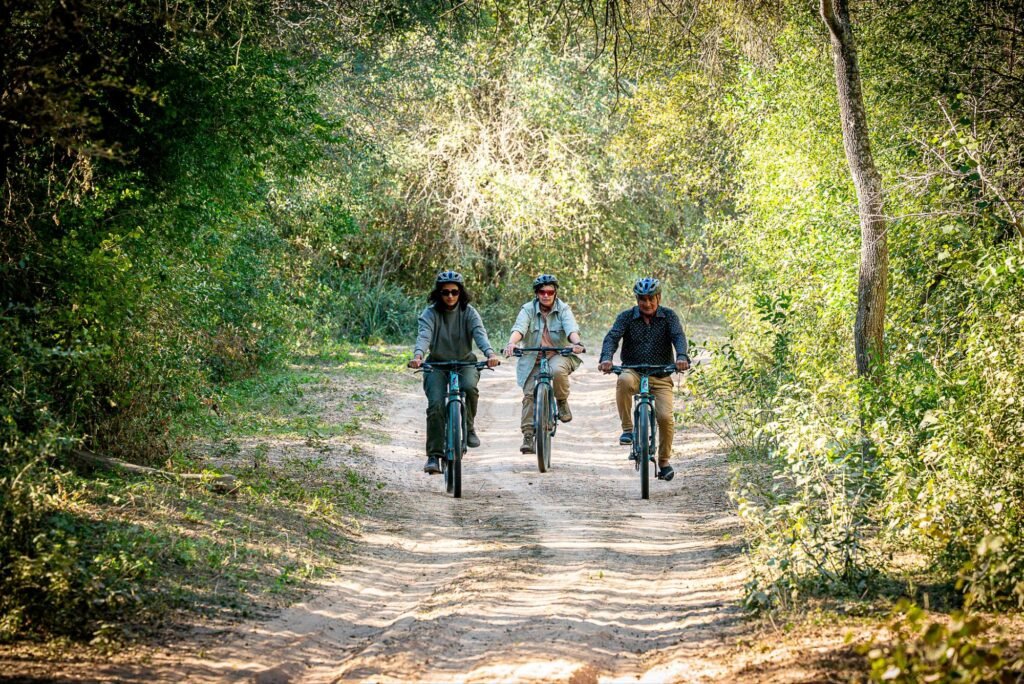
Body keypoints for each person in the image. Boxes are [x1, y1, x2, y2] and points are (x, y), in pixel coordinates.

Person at [598, 277, 690, 482]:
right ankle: (628, 430)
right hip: (634, 371)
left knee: (665, 418)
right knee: (623, 380)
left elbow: (678, 336)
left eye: (651, 299)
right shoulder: (626, 317)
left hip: (661, 374)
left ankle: (664, 462)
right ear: (637, 299)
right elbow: (612, 337)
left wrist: (682, 357)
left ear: (659, 298)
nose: (647, 303)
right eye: (642, 299)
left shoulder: (669, 316)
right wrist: (606, 358)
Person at [409, 271, 500, 474]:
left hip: (464, 363)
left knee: (470, 388)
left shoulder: (469, 312)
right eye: (445, 292)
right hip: (437, 365)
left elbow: (480, 334)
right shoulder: (430, 314)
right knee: (435, 405)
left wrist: (490, 353)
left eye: (454, 292)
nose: (450, 296)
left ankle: (469, 427)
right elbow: (424, 336)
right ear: (438, 293)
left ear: (461, 293)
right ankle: (434, 455)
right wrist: (418, 356)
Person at [503, 274, 585, 454]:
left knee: (557, 370)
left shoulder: (563, 309)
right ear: (536, 293)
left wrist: (576, 343)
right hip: (532, 357)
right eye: (542, 292)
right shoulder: (527, 309)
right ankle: (528, 435)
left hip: (557, 354)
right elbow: (519, 329)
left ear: (555, 293)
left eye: (550, 292)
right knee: (529, 395)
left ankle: (561, 401)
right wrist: (512, 343)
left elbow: (571, 329)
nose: (546, 295)